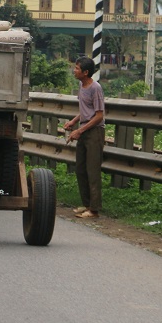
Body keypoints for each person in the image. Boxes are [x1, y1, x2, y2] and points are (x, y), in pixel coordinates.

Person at [62, 56, 105, 219]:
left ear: (86, 72)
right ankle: (87, 204)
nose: (74, 70)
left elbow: (98, 115)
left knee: (92, 170)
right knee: (80, 169)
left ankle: (94, 210)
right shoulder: (82, 85)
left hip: (94, 131)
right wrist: (73, 122)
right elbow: (85, 110)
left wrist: (80, 131)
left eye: (77, 68)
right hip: (83, 129)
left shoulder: (96, 88)